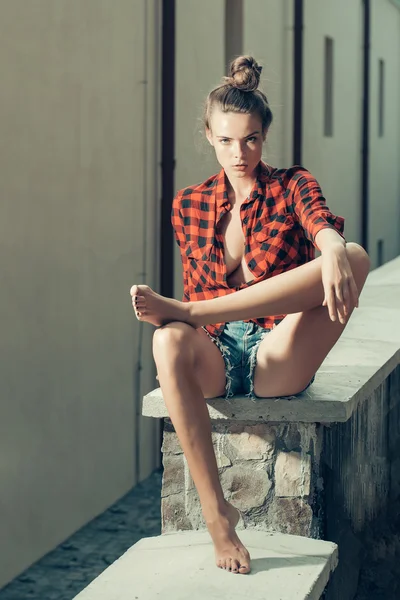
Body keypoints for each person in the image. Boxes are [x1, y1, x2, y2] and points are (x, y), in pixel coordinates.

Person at [129, 56, 370, 575]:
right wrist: (192, 321)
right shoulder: (187, 204)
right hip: (213, 354)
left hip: (277, 353)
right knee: (168, 340)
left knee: (353, 257)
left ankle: (187, 310)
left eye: (252, 140)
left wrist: (327, 242)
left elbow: (319, 218)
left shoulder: (291, 184)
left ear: (265, 137)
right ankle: (219, 517)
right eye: (227, 141)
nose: (240, 153)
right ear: (209, 137)